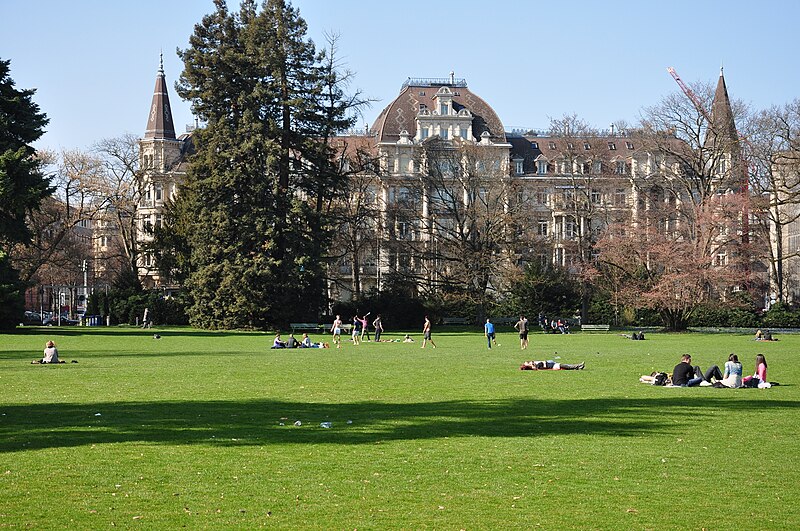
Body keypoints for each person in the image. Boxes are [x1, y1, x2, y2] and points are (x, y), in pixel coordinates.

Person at [520, 359, 584, 370]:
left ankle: (578, 367)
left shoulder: (535, 365)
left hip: (552, 363)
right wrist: (544, 363)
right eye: (528, 362)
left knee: (567, 366)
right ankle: (578, 366)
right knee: (567, 366)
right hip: (553, 366)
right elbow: (544, 366)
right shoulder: (536, 367)